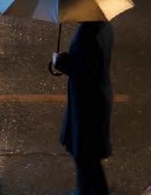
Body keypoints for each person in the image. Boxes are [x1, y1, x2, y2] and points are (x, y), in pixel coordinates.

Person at [53, 20, 114, 195]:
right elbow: (91, 62)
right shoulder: (103, 26)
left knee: (86, 155)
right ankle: (84, 190)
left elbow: (85, 71)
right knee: (86, 154)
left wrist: (61, 63)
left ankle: (88, 191)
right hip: (95, 98)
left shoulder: (87, 34)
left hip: (87, 104)